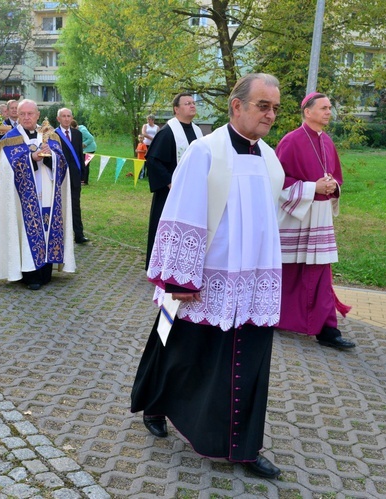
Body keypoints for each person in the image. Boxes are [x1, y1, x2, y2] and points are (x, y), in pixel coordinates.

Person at [131, 73, 285, 480]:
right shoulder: (205, 152)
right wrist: (179, 279)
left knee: (248, 361)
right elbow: (181, 209)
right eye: (263, 106)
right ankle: (156, 404)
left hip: (251, 283)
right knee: (175, 348)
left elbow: (272, 217)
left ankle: (243, 447)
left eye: (275, 108)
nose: (271, 115)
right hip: (199, 278)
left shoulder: (270, 158)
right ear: (237, 106)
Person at [275, 92, 355, 350]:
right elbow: (277, 181)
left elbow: (337, 178)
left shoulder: (328, 142)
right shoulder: (291, 141)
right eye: (323, 108)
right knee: (291, 269)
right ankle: (276, 317)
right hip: (296, 217)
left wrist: (333, 186)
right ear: (307, 112)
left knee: (320, 272)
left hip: (319, 218)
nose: (329, 112)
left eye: (330, 107)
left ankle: (327, 329)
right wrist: (312, 188)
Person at [0, 99, 76, 290]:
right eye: (22, 114)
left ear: (38, 115)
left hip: (48, 194)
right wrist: (31, 158)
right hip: (23, 200)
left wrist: (51, 156)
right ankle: (29, 274)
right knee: (25, 231)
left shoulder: (50, 135)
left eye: (30, 113)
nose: (26, 117)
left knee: (47, 230)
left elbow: (62, 164)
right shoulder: (10, 139)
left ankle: (45, 272)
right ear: (17, 115)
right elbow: (5, 169)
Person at [144, 93, 203, 269]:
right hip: (170, 192)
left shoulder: (198, 131)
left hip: (192, 191)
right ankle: (159, 264)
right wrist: (170, 182)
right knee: (166, 229)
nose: (192, 105)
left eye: (193, 103)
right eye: (187, 103)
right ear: (176, 109)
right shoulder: (167, 132)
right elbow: (153, 160)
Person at [56, 108, 89, 243]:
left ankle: (79, 234)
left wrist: (82, 174)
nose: (66, 119)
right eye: (63, 116)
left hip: (74, 175)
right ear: (58, 119)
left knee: (75, 205)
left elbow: (80, 155)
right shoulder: (53, 135)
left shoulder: (77, 134)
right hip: (60, 176)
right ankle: (60, 234)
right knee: (60, 206)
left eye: (69, 116)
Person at [71, 119, 95, 185]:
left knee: (85, 165)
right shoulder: (78, 130)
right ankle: (81, 179)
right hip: (84, 150)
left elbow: (91, 138)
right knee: (82, 164)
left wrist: (84, 144)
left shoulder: (82, 131)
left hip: (90, 149)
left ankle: (85, 181)